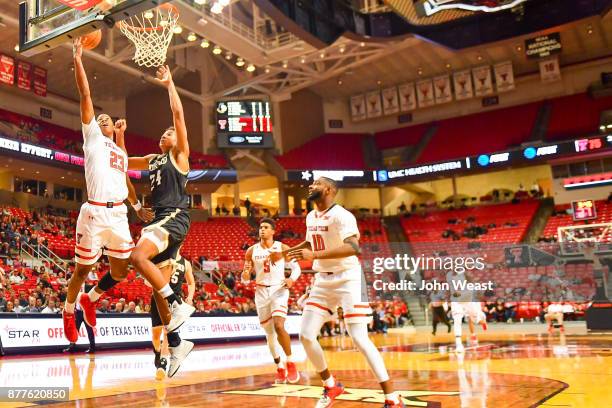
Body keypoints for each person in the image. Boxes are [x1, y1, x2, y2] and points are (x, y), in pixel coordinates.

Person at [283, 177, 404, 408]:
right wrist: (287, 253)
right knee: (306, 335)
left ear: (328, 189)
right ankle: (330, 385)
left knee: (359, 338)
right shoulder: (311, 216)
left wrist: (315, 256)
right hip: (323, 280)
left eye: (316, 184)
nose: (311, 186)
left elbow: (354, 247)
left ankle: (392, 396)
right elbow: (311, 245)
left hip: (350, 278)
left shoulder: (343, 215)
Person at [62, 38, 151, 345]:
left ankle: (91, 299)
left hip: (119, 215)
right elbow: (86, 95)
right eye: (100, 119)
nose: (103, 120)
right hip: (95, 211)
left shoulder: (118, 150)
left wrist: (137, 206)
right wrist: (78, 59)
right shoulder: (93, 139)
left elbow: (125, 172)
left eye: (108, 120)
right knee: (81, 270)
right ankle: (68, 309)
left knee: (121, 271)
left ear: (114, 128)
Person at [126, 65, 196, 375]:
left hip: (174, 217)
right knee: (158, 290)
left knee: (137, 256)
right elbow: (123, 162)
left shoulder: (179, 156)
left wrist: (170, 84)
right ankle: (177, 342)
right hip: (161, 221)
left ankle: (179, 305)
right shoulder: (153, 160)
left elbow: (178, 117)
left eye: (166, 133)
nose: (163, 135)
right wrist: (116, 136)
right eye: (163, 133)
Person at [242, 218, 301, 384]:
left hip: (278, 289)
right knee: (269, 334)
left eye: (266, 227)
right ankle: (280, 366)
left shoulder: (282, 248)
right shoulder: (251, 251)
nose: (262, 230)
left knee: (279, 325)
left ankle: (290, 362)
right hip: (261, 292)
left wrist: (291, 280)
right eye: (260, 227)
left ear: (273, 231)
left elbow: (297, 268)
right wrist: (245, 276)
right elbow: (245, 276)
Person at [149, 255, 195, 380]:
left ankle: (163, 364)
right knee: (155, 335)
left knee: (167, 330)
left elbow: (191, 282)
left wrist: (190, 297)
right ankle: (158, 353)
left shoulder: (186, 263)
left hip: (174, 298)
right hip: (158, 298)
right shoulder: (163, 258)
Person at [446, 271, 487, 353]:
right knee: (457, 321)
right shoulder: (450, 277)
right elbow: (451, 293)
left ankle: (482, 319)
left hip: (469, 303)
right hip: (457, 303)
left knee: (476, 320)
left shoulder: (470, 283)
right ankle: (459, 344)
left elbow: (476, 294)